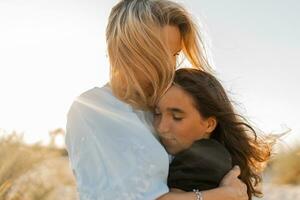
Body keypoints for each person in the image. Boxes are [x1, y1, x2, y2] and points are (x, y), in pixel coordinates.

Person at [65, 0, 248, 199]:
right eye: (159, 55)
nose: (170, 67)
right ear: (125, 49)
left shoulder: (159, 108)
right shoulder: (93, 109)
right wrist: (222, 194)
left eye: (175, 55)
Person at [154, 68, 272, 199]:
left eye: (177, 117)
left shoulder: (201, 157)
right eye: (157, 114)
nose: (161, 127)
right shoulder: (217, 154)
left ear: (209, 124)